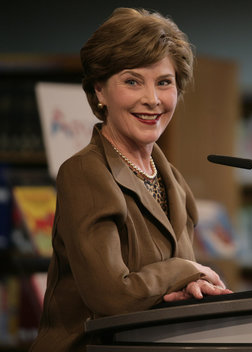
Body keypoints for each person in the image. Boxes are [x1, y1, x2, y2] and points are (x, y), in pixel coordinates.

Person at [30, 7, 232, 351]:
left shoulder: (175, 182)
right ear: (100, 92)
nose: (152, 99)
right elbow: (112, 297)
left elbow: (168, 292)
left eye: (164, 83)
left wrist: (192, 289)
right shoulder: (84, 172)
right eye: (132, 81)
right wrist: (186, 268)